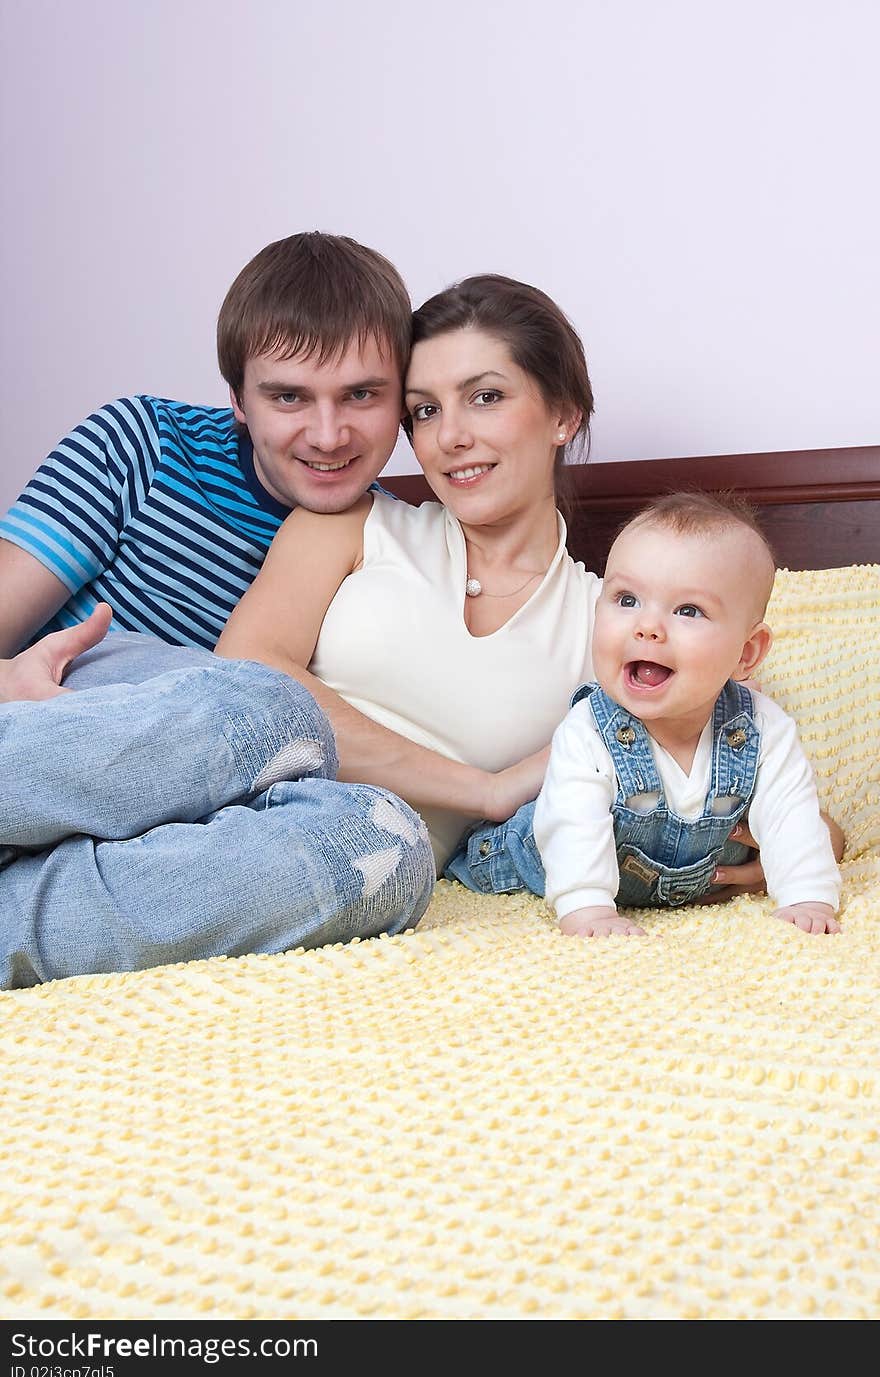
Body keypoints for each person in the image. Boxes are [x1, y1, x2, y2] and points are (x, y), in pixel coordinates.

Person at [0, 275, 791, 987]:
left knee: (390, 858)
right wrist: (484, 791)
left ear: (563, 412)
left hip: (303, 836)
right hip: (187, 740)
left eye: (485, 397)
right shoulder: (353, 521)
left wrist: (777, 835)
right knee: (271, 706)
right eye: (424, 410)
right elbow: (247, 666)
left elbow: (727, 747)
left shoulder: (611, 624)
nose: (450, 436)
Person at [0, 231, 411, 700]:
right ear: (237, 398)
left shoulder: (403, 547)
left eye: (360, 395)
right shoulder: (142, 444)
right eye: (288, 397)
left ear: (403, 398)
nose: (327, 436)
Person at [445, 493, 842, 937]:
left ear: (746, 654)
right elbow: (573, 825)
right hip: (529, 858)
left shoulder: (761, 730)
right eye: (627, 599)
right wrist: (588, 909)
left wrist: (807, 896)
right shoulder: (591, 728)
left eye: (688, 610)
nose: (647, 626)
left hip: (660, 886)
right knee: (538, 837)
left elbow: (792, 817)